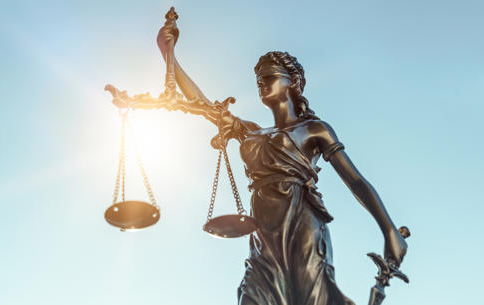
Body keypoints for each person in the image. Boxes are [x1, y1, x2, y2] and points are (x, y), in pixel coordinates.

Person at [157, 25, 408, 305]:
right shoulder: (251, 131)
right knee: (252, 297)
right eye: (258, 81)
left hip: (302, 225)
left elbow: (356, 181)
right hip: (263, 234)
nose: (262, 84)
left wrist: (389, 230)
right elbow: (202, 104)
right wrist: (169, 54)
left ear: (293, 82)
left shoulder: (314, 130)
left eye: (269, 78)